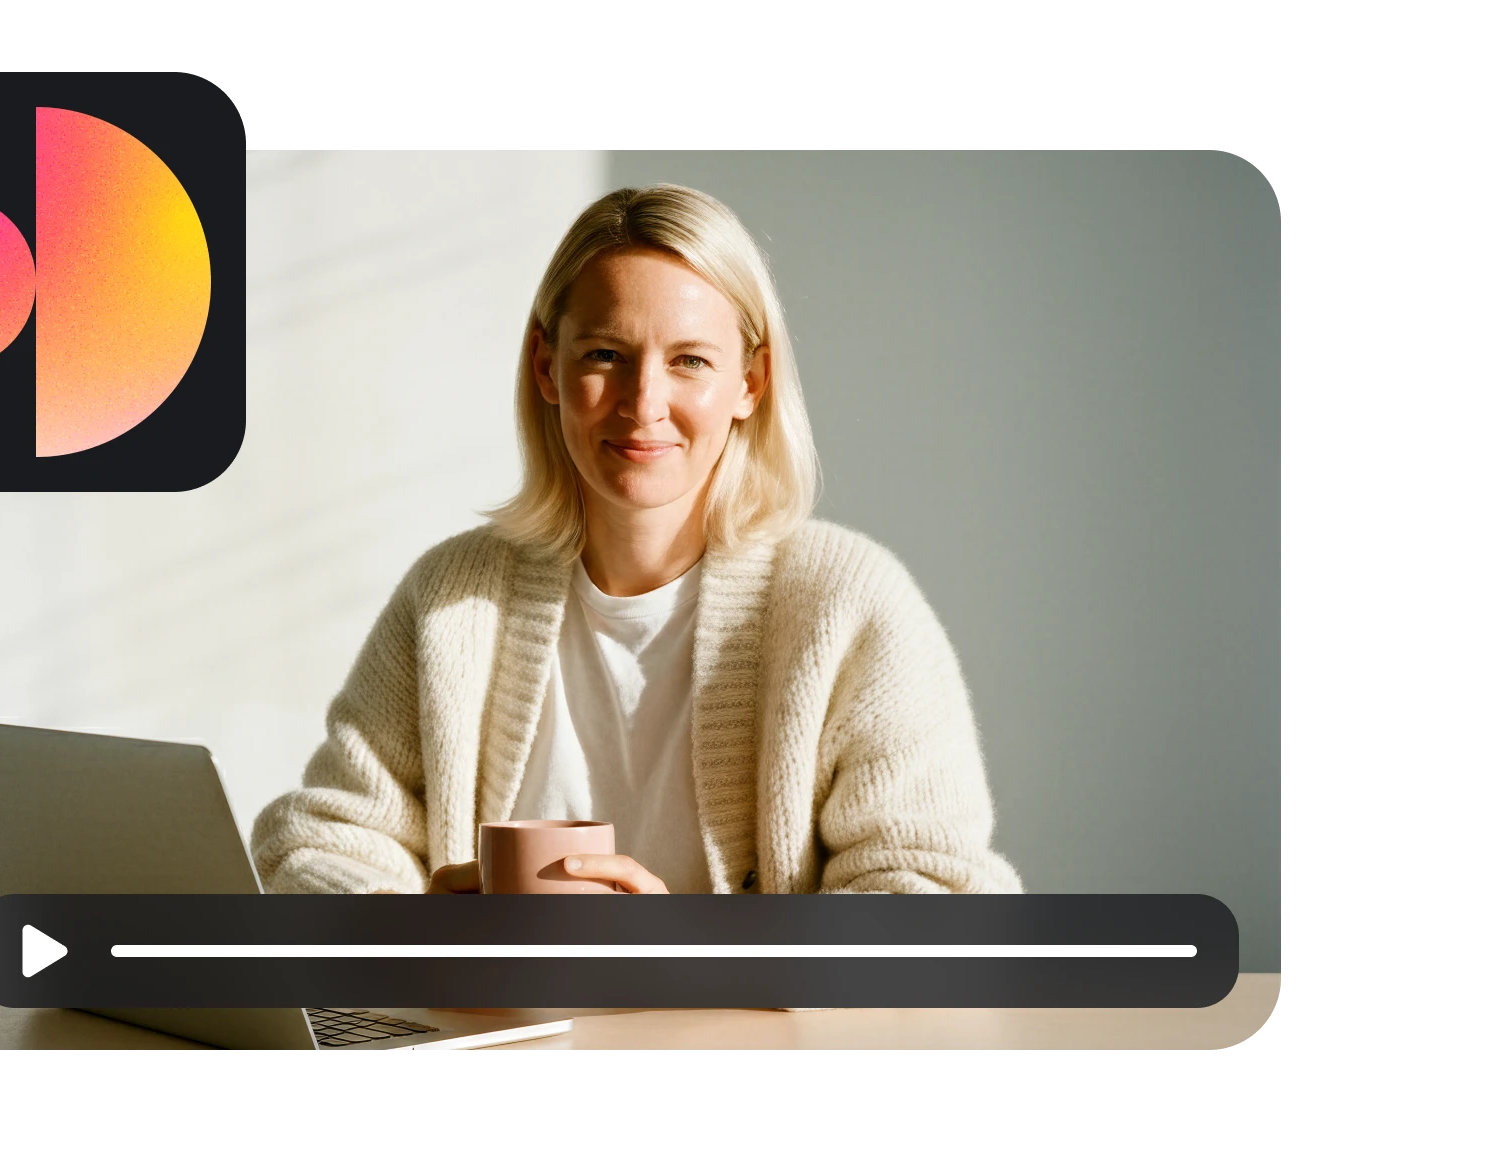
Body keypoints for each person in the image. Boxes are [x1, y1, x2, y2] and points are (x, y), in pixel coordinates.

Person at [252, 183, 1022, 897]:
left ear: (750, 383)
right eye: (606, 356)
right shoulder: (454, 598)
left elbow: (936, 900)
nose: (643, 403)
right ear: (546, 365)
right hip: (501, 1044)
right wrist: (414, 928)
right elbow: (315, 844)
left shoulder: (846, 607)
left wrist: (685, 952)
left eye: (689, 361)